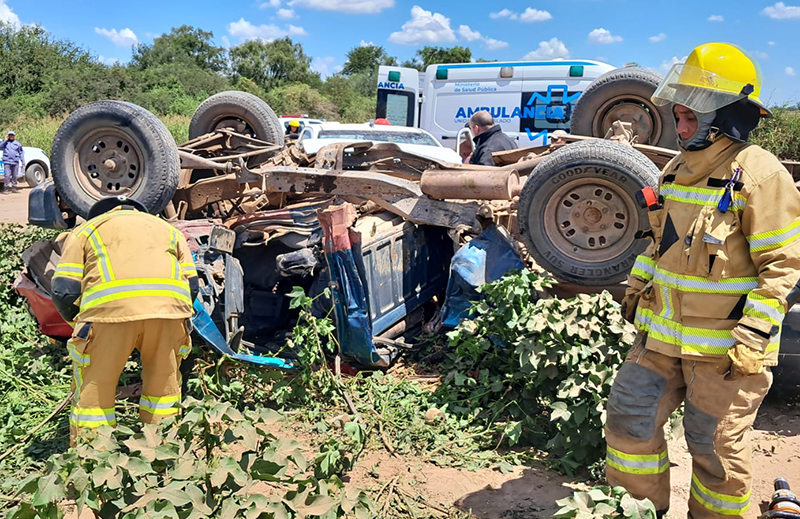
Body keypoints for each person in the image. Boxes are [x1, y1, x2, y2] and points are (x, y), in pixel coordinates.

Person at [606, 43, 800, 519]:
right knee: (629, 425)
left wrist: (754, 335)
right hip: (660, 342)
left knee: (714, 451)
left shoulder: (760, 175)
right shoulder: (676, 169)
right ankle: (638, 512)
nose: (683, 126)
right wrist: (637, 287)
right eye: (680, 115)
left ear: (727, 115)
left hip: (726, 354)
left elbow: (783, 266)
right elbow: (660, 245)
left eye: (693, 117)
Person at [51, 196, 199, 445]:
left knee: (94, 395)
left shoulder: (87, 230)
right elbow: (192, 285)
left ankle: (94, 459)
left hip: (108, 316)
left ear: (100, 213)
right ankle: (162, 452)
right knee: (163, 392)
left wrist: (78, 326)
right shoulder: (169, 231)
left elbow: (65, 290)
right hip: (170, 314)